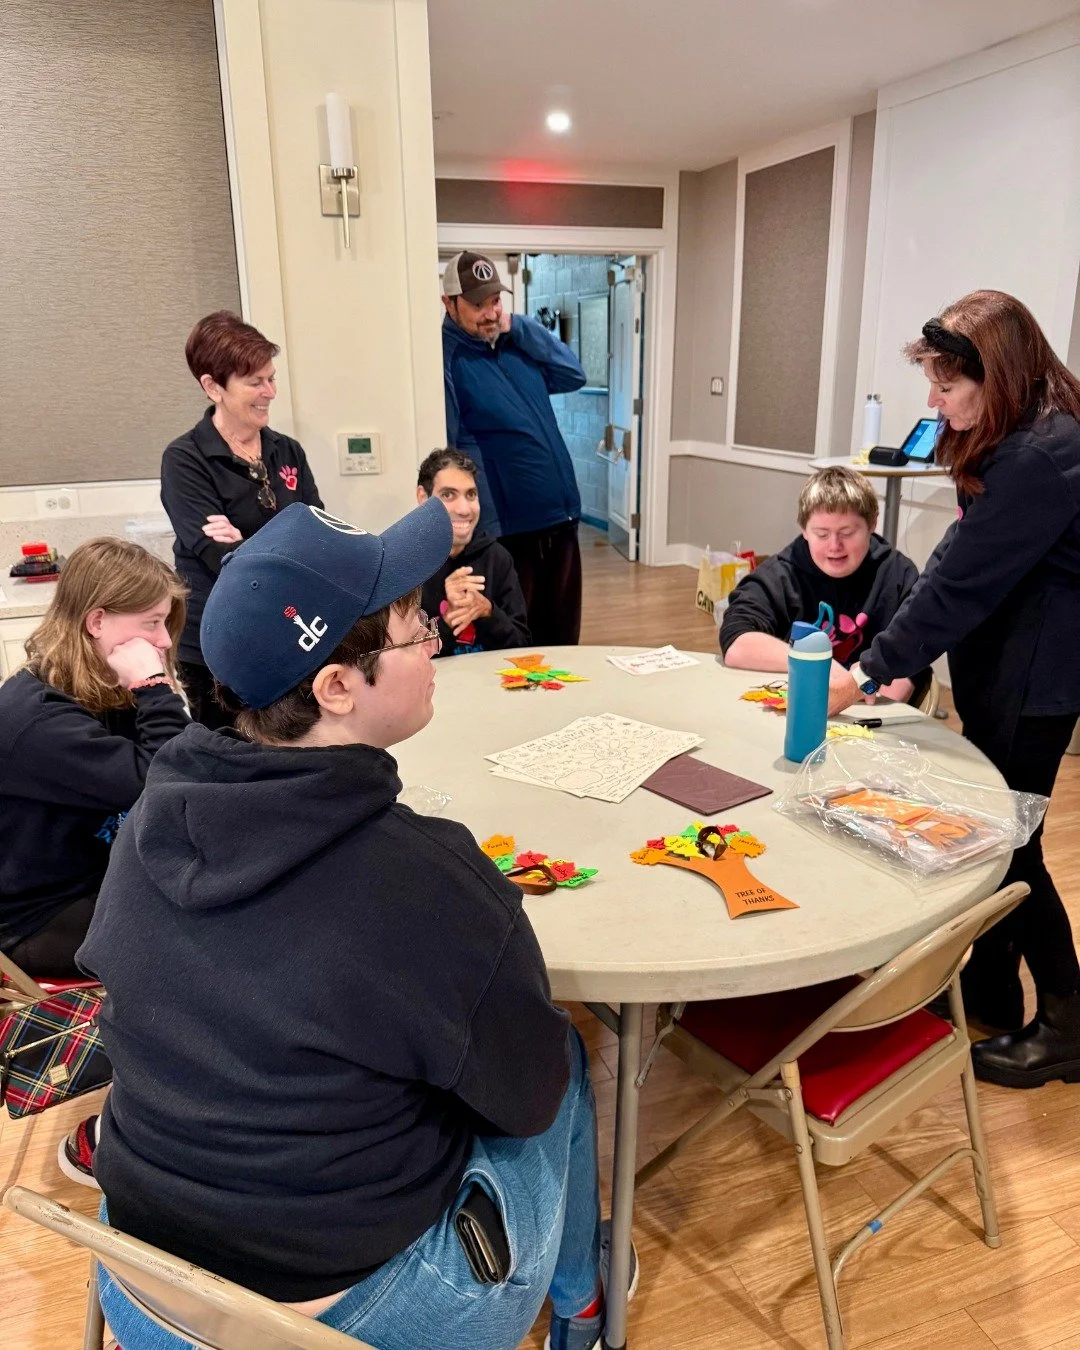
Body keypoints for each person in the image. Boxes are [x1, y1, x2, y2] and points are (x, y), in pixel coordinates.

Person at [76, 500, 633, 1350]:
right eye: (417, 630)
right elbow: (522, 1102)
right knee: (558, 1053)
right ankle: (584, 1304)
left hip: (142, 1285)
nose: (435, 643)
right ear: (336, 687)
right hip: (348, 1323)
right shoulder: (428, 881)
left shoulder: (157, 813)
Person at [828, 290, 1080, 1088]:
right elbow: (952, 562)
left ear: (994, 376)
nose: (932, 404)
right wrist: (892, 652)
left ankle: (1071, 1021)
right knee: (1000, 828)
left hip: (1037, 673)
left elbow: (961, 584)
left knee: (1011, 841)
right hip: (1008, 661)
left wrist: (867, 670)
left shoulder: (1043, 455)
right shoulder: (1017, 433)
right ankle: (993, 987)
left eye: (945, 386)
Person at [0, 538, 188, 980]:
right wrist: (156, 689)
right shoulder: (37, 720)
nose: (162, 640)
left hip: (101, 876)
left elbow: (186, 770)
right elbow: (167, 784)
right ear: (97, 620)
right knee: (209, 943)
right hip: (37, 917)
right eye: (152, 623)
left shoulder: (102, 686)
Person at [161, 310, 323, 729]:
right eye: (255, 382)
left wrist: (246, 542)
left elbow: (317, 539)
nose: (270, 391)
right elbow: (225, 562)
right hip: (216, 646)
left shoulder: (287, 452)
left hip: (286, 633)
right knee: (230, 766)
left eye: (271, 377)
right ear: (212, 386)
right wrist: (270, 546)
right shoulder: (185, 460)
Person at [442, 251, 587, 645]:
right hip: (509, 533)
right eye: (476, 304)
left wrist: (521, 327)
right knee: (518, 643)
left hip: (561, 518)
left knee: (563, 638)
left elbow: (574, 373)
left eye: (495, 301)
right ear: (449, 304)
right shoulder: (448, 359)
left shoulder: (518, 344)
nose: (489, 313)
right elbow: (452, 452)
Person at [721, 465, 929, 705]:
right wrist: (821, 666)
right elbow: (736, 643)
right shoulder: (780, 574)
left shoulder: (897, 574)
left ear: (872, 525)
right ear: (804, 530)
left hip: (866, 717)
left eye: (847, 533)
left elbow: (912, 659)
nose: (834, 546)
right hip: (794, 706)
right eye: (821, 534)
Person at [416, 447, 530, 656]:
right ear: (423, 498)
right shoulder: (407, 565)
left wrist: (488, 611)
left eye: (471, 494)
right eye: (448, 495)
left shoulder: (497, 558)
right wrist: (449, 619)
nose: (464, 509)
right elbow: (401, 664)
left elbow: (521, 645)